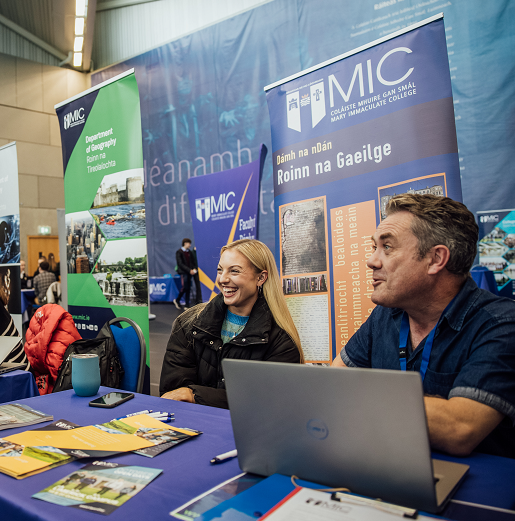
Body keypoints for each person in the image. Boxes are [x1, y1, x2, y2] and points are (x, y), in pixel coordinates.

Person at [332, 194, 515, 458]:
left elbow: (459, 429)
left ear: (436, 259)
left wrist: (358, 395)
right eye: (375, 248)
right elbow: (332, 384)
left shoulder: (501, 324)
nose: (372, 261)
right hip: (389, 470)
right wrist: (433, 408)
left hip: (472, 490)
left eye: (388, 247)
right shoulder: (384, 316)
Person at [160, 239, 303, 408]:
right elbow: (173, 393)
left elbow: (267, 404)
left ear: (261, 278)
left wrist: (195, 395)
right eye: (220, 270)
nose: (222, 279)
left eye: (234, 271)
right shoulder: (188, 323)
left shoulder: (281, 340)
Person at [173, 238, 200, 309]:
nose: (190, 245)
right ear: (185, 243)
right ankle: (177, 300)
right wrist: (189, 270)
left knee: (188, 288)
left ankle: (187, 305)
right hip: (183, 273)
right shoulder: (179, 252)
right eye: (189, 243)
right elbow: (180, 264)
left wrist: (193, 269)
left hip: (189, 273)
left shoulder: (190, 252)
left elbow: (192, 262)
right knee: (185, 287)